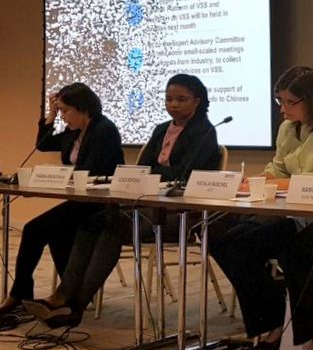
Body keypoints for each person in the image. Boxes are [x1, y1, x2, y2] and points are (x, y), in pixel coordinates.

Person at [24, 74, 219, 327]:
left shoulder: (205, 132)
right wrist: (157, 173)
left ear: (197, 101)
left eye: (181, 100)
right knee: (92, 222)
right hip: (147, 202)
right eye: (168, 99)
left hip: (179, 212)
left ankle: (75, 305)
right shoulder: (161, 129)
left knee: (113, 224)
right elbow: (141, 169)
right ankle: (64, 297)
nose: (173, 104)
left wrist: (156, 173)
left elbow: (185, 175)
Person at [209, 66, 313, 350]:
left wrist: (275, 183)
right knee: (220, 237)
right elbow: (277, 167)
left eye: (290, 102)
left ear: (310, 99)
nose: (283, 109)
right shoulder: (288, 127)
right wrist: (252, 181)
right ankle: (271, 318)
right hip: (287, 209)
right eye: (280, 101)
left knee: (271, 244)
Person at [0, 83, 123, 318]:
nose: (63, 116)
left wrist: (58, 179)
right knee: (55, 231)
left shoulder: (104, 130)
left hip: (100, 203)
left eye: (65, 110)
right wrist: (51, 115)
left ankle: (22, 293)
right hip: (79, 200)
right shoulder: (73, 132)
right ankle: (65, 293)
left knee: (34, 229)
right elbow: (43, 145)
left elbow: (92, 172)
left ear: (82, 108)